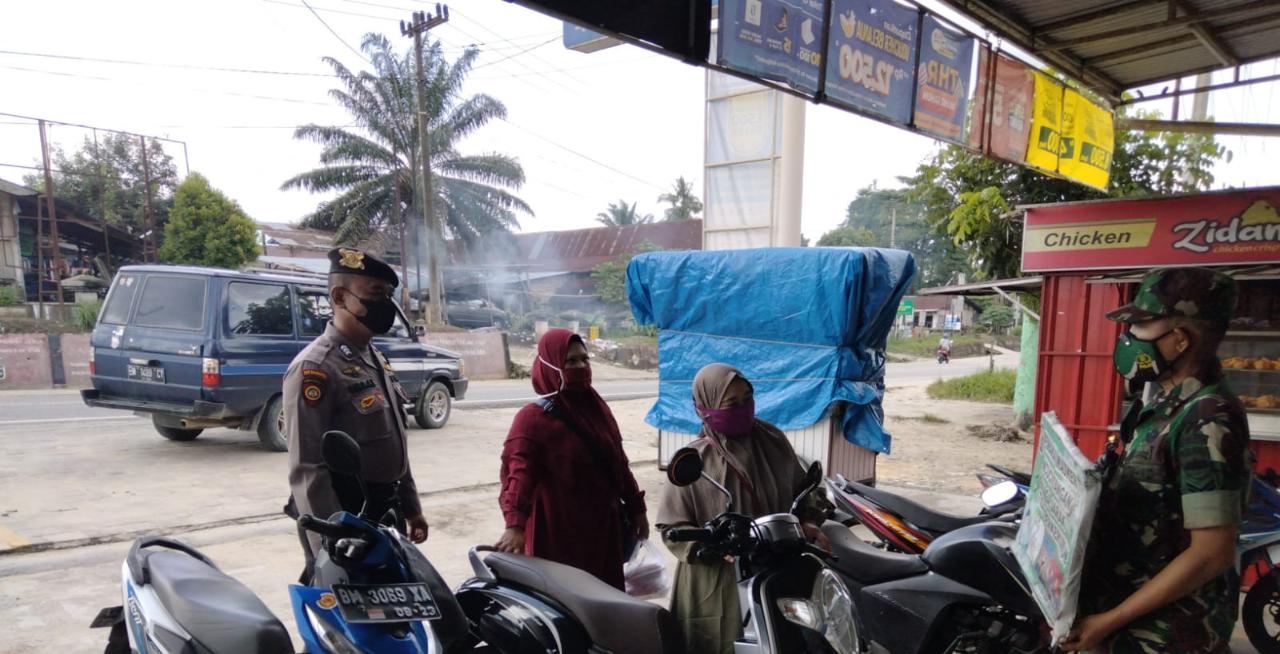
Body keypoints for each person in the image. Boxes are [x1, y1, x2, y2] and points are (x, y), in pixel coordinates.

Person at [1063, 268, 1250, 653]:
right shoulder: (1166, 404)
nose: (1128, 337)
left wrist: (1109, 621)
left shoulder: (1207, 417)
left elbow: (1211, 553)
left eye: (1141, 326)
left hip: (1166, 635)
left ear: (1180, 339)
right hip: (1125, 614)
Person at [656, 363, 826, 654]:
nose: (743, 408)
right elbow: (672, 528)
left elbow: (804, 492)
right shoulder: (694, 459)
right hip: (717, 580)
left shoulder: (773, 440)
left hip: (776, 568)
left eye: (747, 399)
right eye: (731, 403)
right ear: (704, 409)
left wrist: (808, 522)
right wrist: (707, 546)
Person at [284, 247, 429, 556]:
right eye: (376, 293)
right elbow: (308, 469)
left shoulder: (375, 358)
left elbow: (393, 443)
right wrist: (334, 542)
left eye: (388, 295)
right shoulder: (316, 368)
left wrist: (411, 506)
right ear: (340, 297)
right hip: (346, 517)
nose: (385, 304)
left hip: (386, 511)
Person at [494, 328, 649, 590]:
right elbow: (518, 474)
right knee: (566, 603)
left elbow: (618, 461)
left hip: (604, 533)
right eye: (570, 361)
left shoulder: (597, 408)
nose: (581, 367)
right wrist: (515, 526)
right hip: (558, 535)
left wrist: (637, 508)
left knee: (606, 600)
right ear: (549, 366)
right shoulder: (532, 419)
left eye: (584, 359)